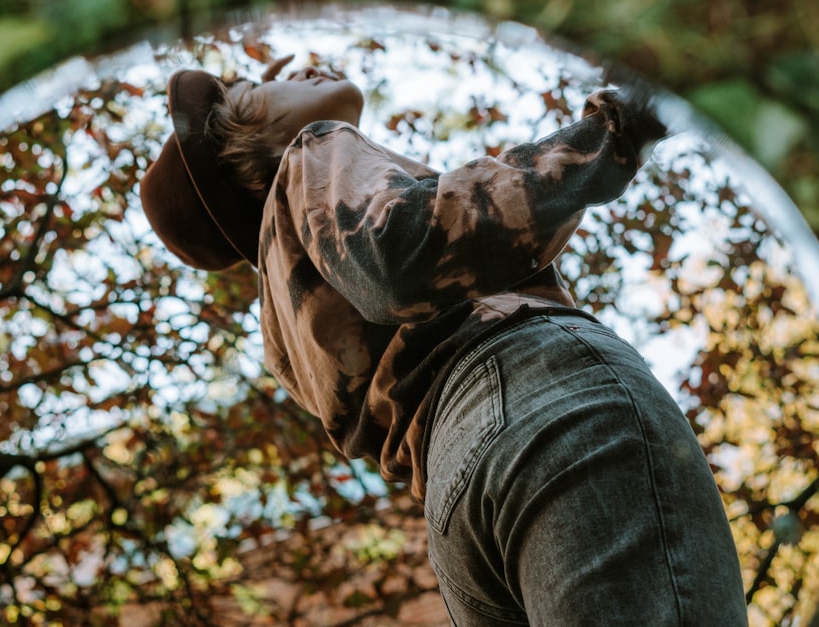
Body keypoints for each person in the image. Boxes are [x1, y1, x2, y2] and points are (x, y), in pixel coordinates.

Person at [139, 54, 748, 626]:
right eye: (266, 81)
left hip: (453, 511)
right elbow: (398, 255)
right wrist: (623, 120)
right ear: (247, 137)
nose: (305, 68)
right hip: (528, 393)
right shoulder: (309, 153)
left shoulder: (281, 322)